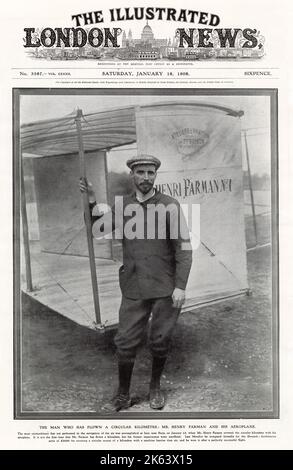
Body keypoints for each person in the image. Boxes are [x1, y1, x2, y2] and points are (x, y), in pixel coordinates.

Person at [79, 154, 192, 412]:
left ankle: (155, 388)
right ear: (132, 175)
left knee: (160, 340)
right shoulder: (123, 207)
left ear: (155, 175)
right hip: (134, 286)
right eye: (140, 172)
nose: (146, 178)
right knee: (125, 341)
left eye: (150, 173)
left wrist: (180, 286)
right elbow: (97, 229)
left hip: (165, 287)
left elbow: (184, 249)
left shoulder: (170, 205)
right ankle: (122, 396)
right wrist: (92, 201)